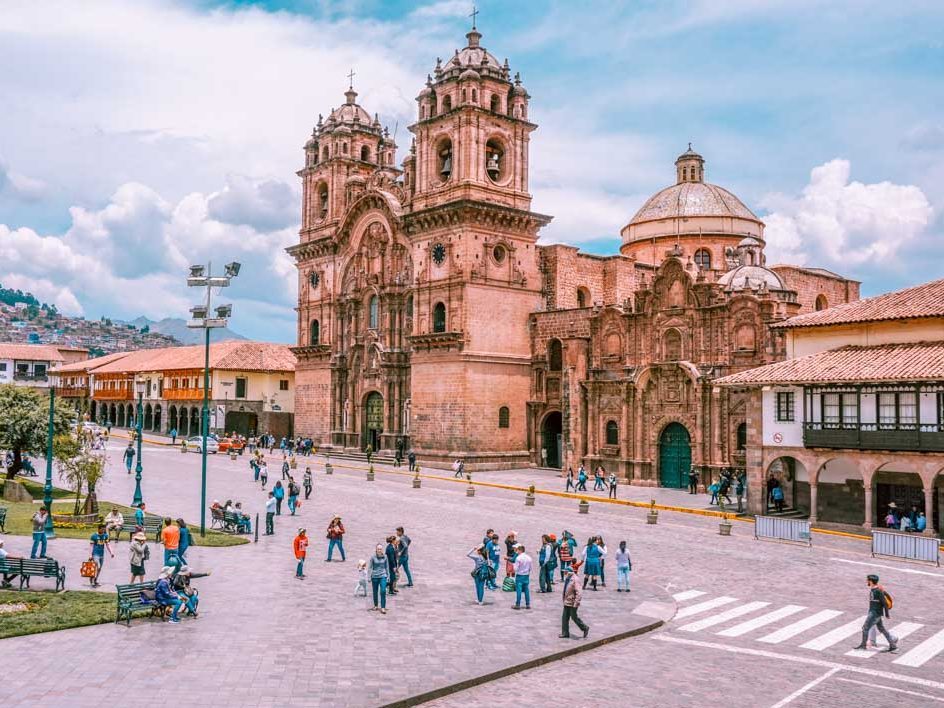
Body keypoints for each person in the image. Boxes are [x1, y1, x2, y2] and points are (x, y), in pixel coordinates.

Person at [853, 574, 898, 652]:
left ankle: (863, 646)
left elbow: (884, 603)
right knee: (882, 629)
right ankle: (893, 646)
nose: (866, 581)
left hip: (874, 613)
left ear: (871, 581)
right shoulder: (874, 589)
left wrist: (887, 614)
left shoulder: (877, 591)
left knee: (865, 628)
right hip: (875, 612)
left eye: (867, 580)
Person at [560, 560, 589, 639]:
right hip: (567, 601)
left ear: (569, 572)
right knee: (564, 617)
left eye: (565, 572)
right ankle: (565, 633)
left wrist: (576, 603)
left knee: (574, 617)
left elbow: (579, 592)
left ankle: (585, 628)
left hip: (573, 603)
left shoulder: (575, 579)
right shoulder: (568, 578)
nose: (564, 573)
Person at [368, 544, 389, 614]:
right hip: (375, 576)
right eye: (378, 549)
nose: (379, 550)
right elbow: (370, 567)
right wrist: (369, 577)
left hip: (383, 575)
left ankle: (383, 607)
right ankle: (376, 605)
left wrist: (388, 576)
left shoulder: (385, 557)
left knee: (383, 591)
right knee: (375, 591)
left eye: (380, 549)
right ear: (376, 550)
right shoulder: (373, 557)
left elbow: (387, 567)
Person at [512, 544, 533, 610]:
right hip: (526, 575)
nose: (517, 552)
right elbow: (531, 568)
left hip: (519, 576)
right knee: (526, 590)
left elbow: (515, 569)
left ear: (520, 550)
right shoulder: (529, 558)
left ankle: (518, 604)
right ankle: (528, 604)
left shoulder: (518, 558)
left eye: (517, 550)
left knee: (519, 590)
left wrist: (513, 565)